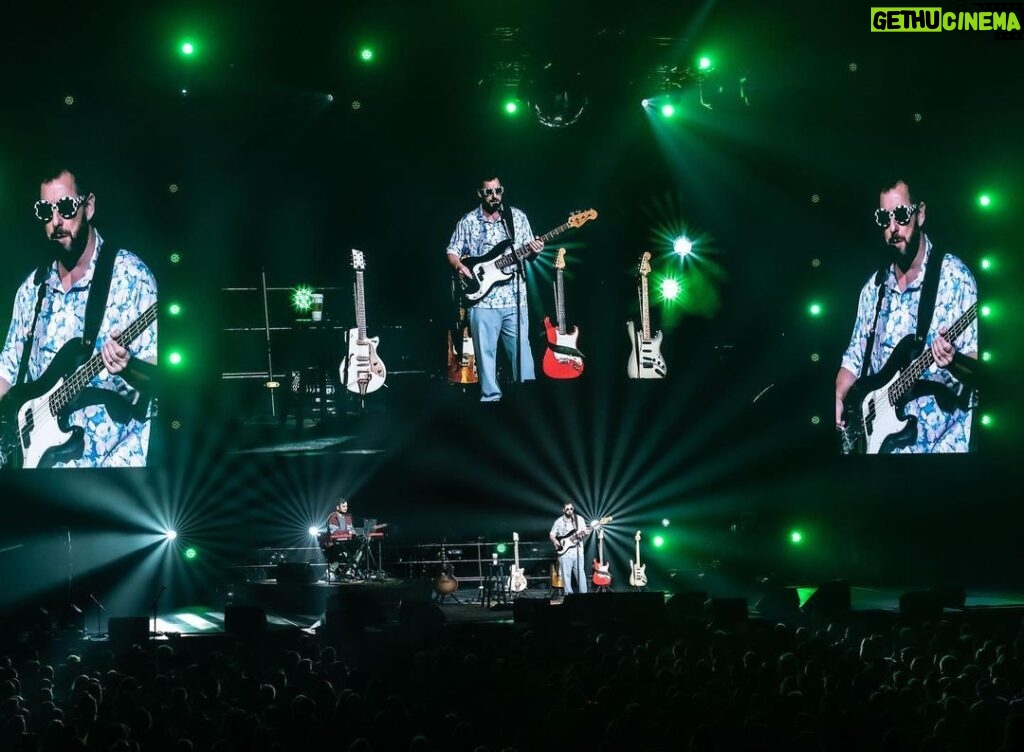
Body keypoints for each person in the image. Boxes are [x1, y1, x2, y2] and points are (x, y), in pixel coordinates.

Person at [0, 163, 158, 468]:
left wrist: (127, 368)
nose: (56, 221)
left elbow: (162, 376)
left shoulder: (130, 277)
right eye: (46, 212)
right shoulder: (32, 289)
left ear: (89, 206)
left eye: (66, 207)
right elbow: (8, 366)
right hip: (40, 469)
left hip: (113, 466)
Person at [835, 178, 980, 453]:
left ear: (920, 213)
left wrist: (953, 362)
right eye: (884, 218)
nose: (893, 228)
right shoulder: (873, 289)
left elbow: (980, 367)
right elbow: (854, 358)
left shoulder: (955, 279)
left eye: (901, 215)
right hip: (881, 448)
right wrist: (840, 394)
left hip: (941, 446)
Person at [446, 176, 544, 401]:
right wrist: (459, 265)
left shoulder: (516, 218)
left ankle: (528, 401)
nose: (494, 196)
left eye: (497, 191)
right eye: (488, 192)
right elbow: (452, 249)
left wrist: (535, 249)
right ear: (480, 194)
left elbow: (528, 253)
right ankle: (491, 400)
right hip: (482, 301)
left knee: (522, 353)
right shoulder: (469, 221)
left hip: (514, 299)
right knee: (485, 356)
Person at [549, 501, 591, 596]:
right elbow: (552, 534)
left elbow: (584, 533)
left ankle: (585, 596)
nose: (569, 511)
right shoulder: (558, 521)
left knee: (581, 575)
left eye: (571, 509)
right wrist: (555, 541)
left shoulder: (579, 519)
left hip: (578, 552)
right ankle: (569, 597)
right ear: (563, 510)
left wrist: (586, 533)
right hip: (564, 553)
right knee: (566, 576)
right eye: (567, 509)